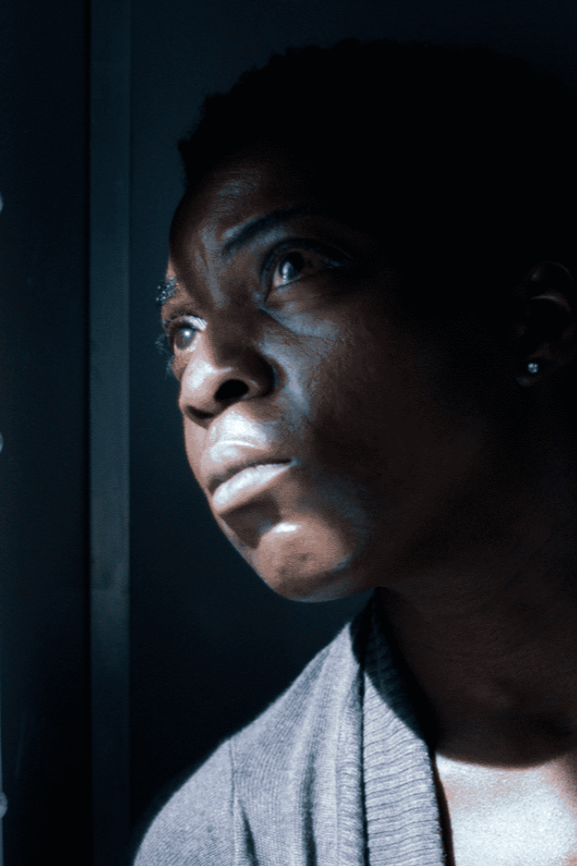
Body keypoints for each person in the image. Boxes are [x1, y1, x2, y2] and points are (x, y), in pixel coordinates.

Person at [135, 37, 577, 865]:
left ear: (534, 322)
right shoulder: (234, 839)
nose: (205, 379)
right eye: (180, 331)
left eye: (291, 266)